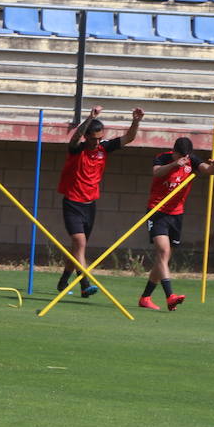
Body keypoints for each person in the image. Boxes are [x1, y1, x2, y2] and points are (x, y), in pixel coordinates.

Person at [56, 106, 144, 297]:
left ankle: (64, 280)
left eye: (99, 138)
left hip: (90, 205)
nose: (97, 142)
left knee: (77, 247)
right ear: (86, 137)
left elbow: (128, 138)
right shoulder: (76, 150)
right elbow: (73, 137)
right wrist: (89, 118)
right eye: (93, 138)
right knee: (79, 242)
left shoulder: (104, 148)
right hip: (72, 202)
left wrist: (136, 121)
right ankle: (85, 284)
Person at [139, 136, 214, 311]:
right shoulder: (163, 158)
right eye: (181, 156)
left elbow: (209, 171)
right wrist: (174, 164)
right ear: (175, 152)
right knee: (163, 251)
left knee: (164, 258)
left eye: (187, 156)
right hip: (157, 211)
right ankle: (170, 296)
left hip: (176, 214)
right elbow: (156, 172)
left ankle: (145, 297)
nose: (185, 159)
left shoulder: (191, 160)